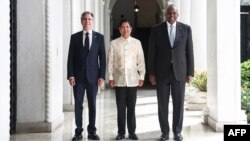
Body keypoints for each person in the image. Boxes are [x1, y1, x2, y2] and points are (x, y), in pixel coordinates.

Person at [148, 4, 194, 141]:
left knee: (179, 104)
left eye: (174, 13)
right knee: (162, 104)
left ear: (177, 14)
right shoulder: (156, 30)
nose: (171, 15)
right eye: (169, 13)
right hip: (161, 73)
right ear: (165, 14)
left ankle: (177, 131)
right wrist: (151, 73)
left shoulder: (186, 29)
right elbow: (152, 53)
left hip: (180, 73)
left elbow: (189, 52)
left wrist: (190, 72)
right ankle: (165, 132)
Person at [67, 11, 106, 141]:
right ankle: (78, 132)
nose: (87, 21)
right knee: (78, 105)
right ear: (81, 21)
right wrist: (70, 75)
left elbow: (103, 59)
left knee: (93, 105)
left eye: (89, 19)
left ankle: (92, 131)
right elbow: (70, 58)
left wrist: (101, 76)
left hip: (93, 77)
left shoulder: (99, 38)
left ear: (92, 21)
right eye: (84, 19)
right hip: (77, 78)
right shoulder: (75, 37)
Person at [108, 19, 146, 140]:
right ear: (119, 29)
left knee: (131, 107)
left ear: (131, 29)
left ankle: (132, 132)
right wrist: (110, 77)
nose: (125, 29)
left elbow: (141, 61)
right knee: (120, 108)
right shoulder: (113, 43)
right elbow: (110, 62)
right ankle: (120, 132)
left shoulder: (137, 43)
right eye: (123, 27)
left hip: (133, 80)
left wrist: (142, 76)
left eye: (127, 27)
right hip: (118, 80)